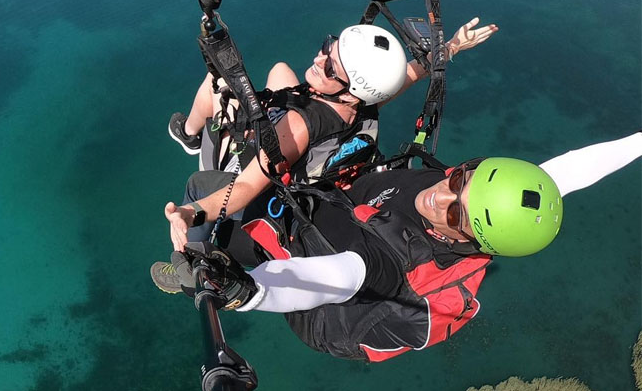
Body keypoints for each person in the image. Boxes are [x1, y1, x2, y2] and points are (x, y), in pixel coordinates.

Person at [151, 132, 642, 362]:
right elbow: (566, 172)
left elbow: (337, 277)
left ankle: (188, 270)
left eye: (455, 213)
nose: (441, 195)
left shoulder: (396, 262)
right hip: (346, 218)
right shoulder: (480, 206)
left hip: (325, 303)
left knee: (205, 185)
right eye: (462, 178)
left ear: (472, 242)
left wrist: (245, 290)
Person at [163, 18, 498, 254]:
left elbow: (249, 186)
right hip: (320, 164)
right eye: (328, 48)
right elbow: (409, 73)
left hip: (271, 189)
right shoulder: (365, 104)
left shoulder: (300, 125)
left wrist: (190, 213)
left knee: (215, 87)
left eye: (330, 67)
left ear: (351, 90)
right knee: (280, 70)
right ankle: (194, 139)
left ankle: (200, 248)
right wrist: (452, 46)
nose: (318, 58)